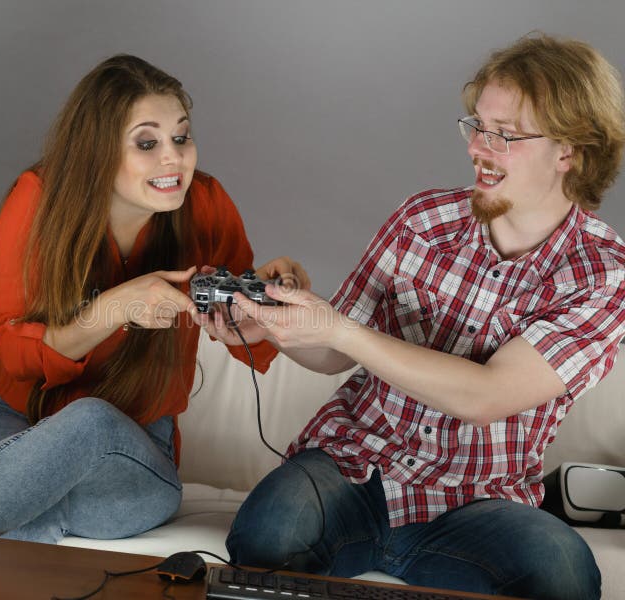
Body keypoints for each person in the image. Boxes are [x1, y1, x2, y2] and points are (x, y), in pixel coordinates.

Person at [0, 54, 304, 600]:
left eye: (182, 137)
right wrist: (114, 308)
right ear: (97, 151)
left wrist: (265, 307)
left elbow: (251, 342)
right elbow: (14, 351)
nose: (174, 158)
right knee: (26, 501)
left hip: (134, 456)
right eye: (147, 143)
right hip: (10, 422)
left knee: (90, 425)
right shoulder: (38, 199)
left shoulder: (207, 206)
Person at [198, 34, 625, 600]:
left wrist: (340, 328)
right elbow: (330, 354)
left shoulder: (603, 274)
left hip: (480, 501)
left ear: (569, 151)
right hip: (354, 467)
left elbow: (487, 394)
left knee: (564, 575)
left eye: (505, 135)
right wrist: (273, 327)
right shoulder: (422, 219)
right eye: (478, 126)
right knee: (268, 534)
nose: (479, 147)